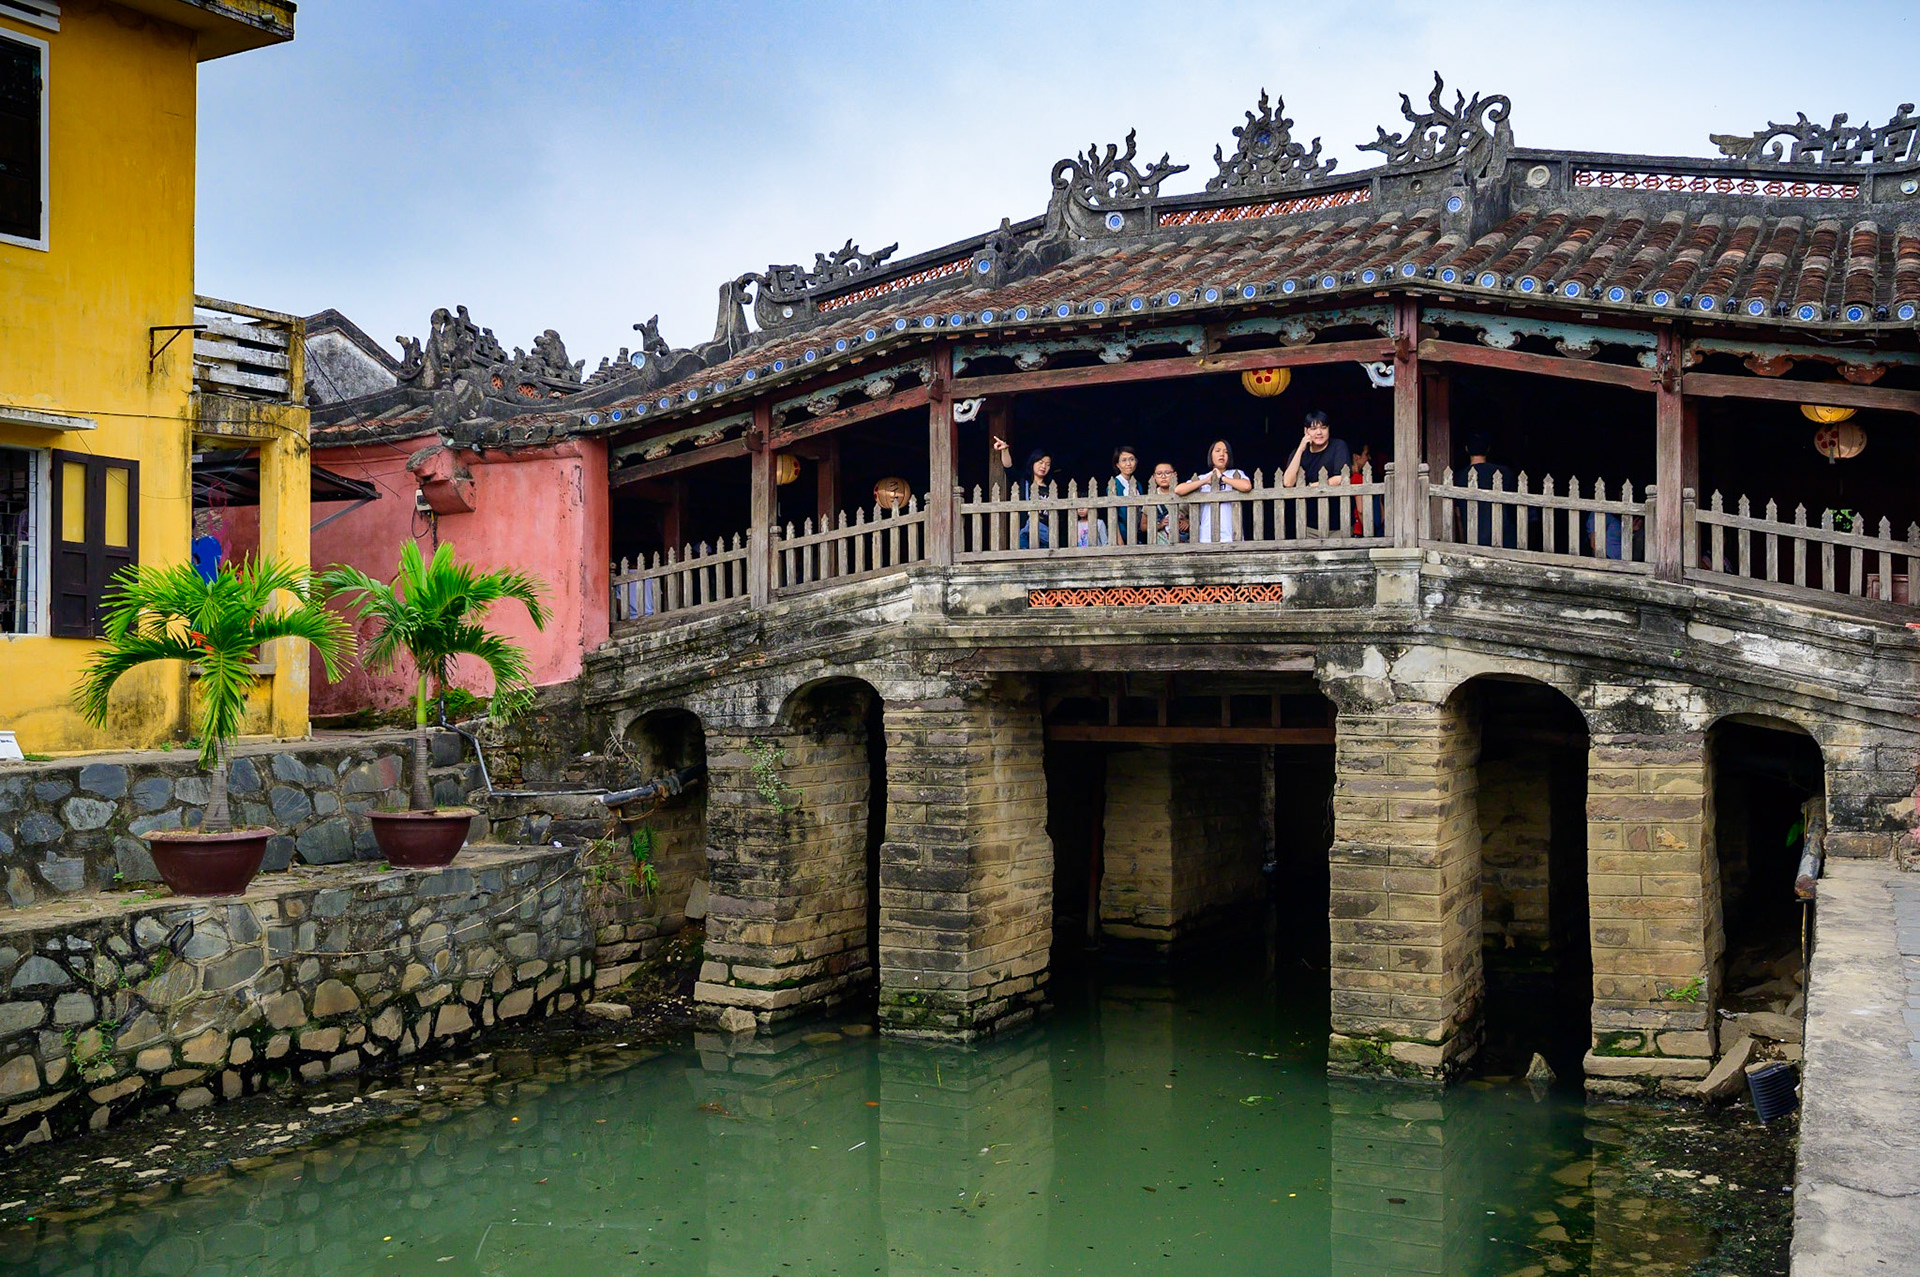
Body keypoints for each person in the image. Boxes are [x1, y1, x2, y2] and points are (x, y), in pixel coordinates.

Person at [1283, 411, 1351, 533]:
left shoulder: (1338, 446)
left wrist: (1310, 487)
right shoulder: (1299, 452)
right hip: (1309, 524)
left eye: (1323, 428)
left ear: (1328, 429)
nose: (1319, 432)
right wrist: (1300, 449)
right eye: (1313, 429)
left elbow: (1339, 478)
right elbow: (1288, 482)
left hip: (1339, 523)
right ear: (1306, 431)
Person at [1174, 439, 1252, 543]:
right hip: (1206, 536)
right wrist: (1205, 481)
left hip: (1232, 535)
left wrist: (1222, 478)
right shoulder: (1203, 477)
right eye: (1218, 451)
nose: (1222, 454)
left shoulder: (1235, 474)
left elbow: (1246, 486)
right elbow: (1178, 490)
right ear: (1211, 455)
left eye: (1226, 452)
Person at [1455, 431, 1517, 548]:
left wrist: (1463, 540)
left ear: (1466, 449)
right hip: (1505, 539)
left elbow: (1458, 513)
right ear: (1488, 449)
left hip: (1474, 539)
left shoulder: (1459, 477)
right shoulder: (1504, 472)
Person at [988, 441, 1053, 549]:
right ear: (1033, 463)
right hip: (1025, 534)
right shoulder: (1023, 482)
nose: (1043, 466)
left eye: (1048, 464)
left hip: (1045, 536)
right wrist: (1005, 450)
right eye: (1040, 462)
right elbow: (1009, 468)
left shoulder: (1052, 488)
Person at [1109, 444, 1146, 544]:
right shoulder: (1115, 485)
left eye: (1131, 459)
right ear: (1117, 464)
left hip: (1138, 534)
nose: (1128, 464)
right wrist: (1120, 541)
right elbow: (1113, 516)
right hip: (1123, 534)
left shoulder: (1138, 484)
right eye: (1124, 460)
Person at [1148, 462, 1185, 543]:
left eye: (1167, 473)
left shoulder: (1184, 491)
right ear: (1154, 476)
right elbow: (1143, 526)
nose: (1163, 476)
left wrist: (1187, 522)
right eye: (1159, 473)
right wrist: (1160, 525)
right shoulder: (1152, 496)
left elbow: (1199, 517)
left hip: (1183, 540)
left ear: (1175, 474)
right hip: (1160, 542)